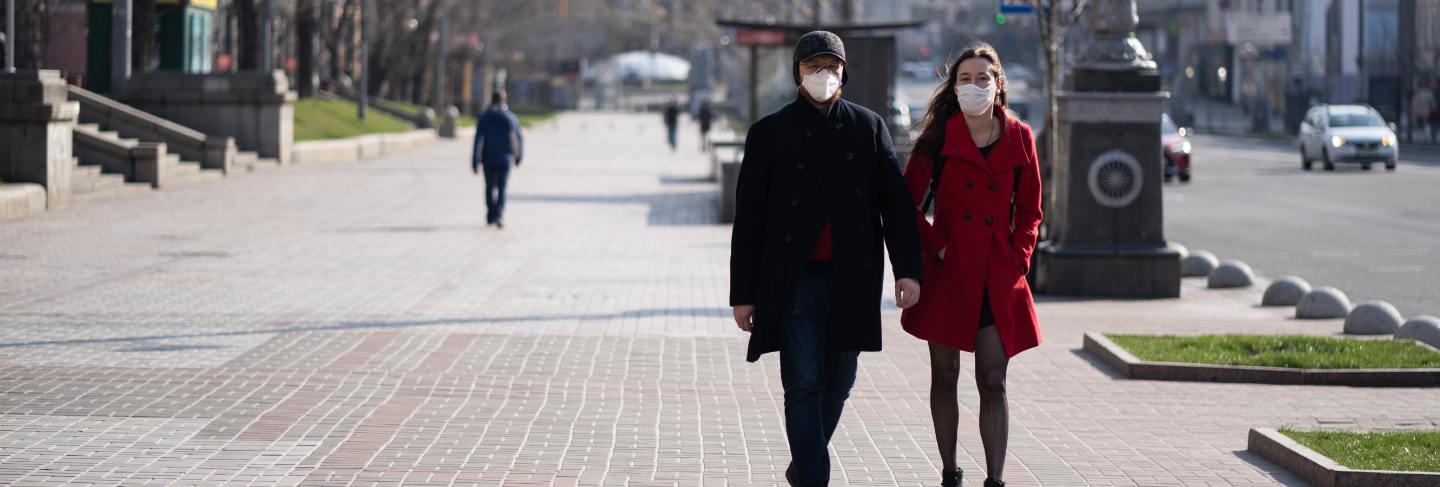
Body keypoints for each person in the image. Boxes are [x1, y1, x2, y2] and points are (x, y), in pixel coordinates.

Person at [729, 31, 923, 486]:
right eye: (814, 66)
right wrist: (743, 295)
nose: (824, 75)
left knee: (839, 382)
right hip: (794, 280)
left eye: (831, 67)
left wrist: (908, 270)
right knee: (804, 384)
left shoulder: (867, 126)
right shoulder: (769, 133)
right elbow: (749, 220)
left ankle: (804, 468)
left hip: (852, 278)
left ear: (844, 73)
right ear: (797, 72)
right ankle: (816, 478)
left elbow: (895, 205)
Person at [899, 41, 1043, 487]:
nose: (975, 85)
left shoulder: (1020, 136)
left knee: (993, 378)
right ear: (954, 86)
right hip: (948, 274)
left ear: (999, 85)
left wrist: (1018, 259)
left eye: (984, 78)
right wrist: (937, 248)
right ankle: (949, 472)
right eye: (965, 78)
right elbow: (906, 207)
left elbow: (1032, 210)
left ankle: (995, 479)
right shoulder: (938, 139)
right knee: (944, 375)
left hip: (998, 277)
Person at [472, 91, 524, 228]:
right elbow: (516, 140)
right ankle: (499, 215)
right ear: (504, 100)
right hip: (504, 160)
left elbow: (478, 141)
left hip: (488, 159)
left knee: (489, 187)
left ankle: (490, 214)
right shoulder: (510, 118)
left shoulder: (484, 117)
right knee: (502, 188)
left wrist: (475, 160)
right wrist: (518, 156)